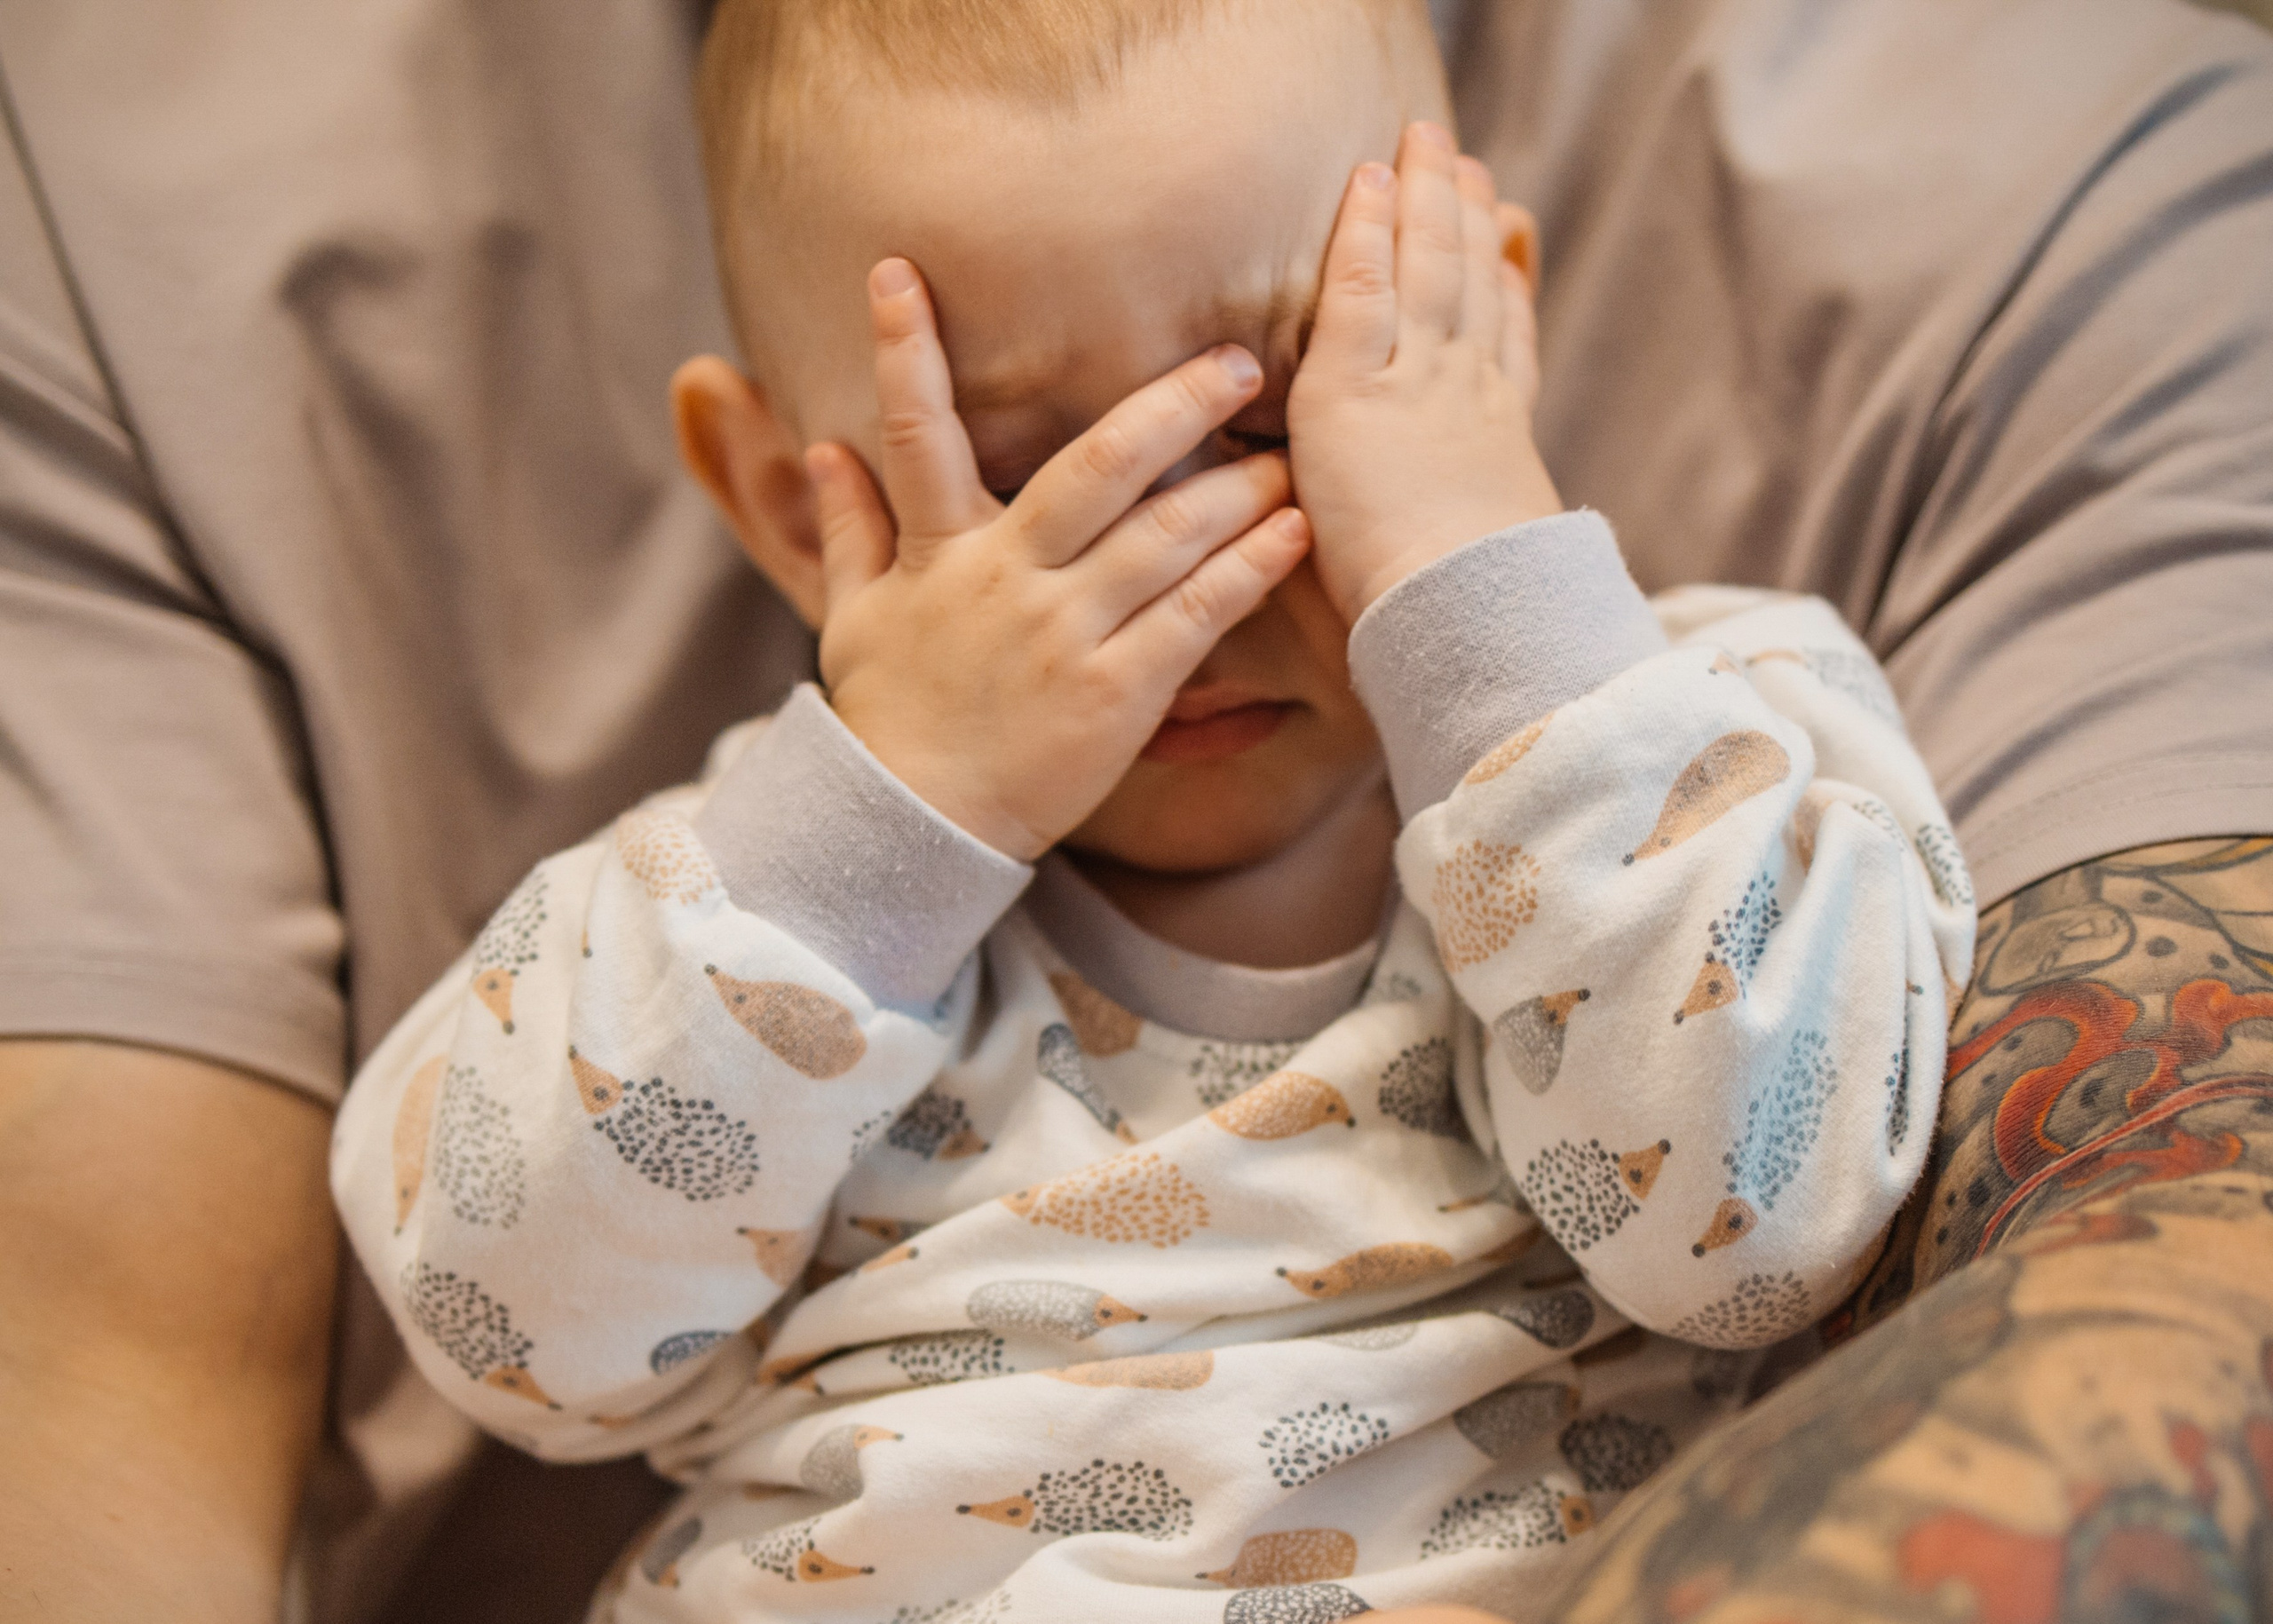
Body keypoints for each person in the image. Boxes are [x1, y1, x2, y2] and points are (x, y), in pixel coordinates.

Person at [4, 0, 2267, 1620]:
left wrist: (1483, 609)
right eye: (1011, 462)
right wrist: (882, 822)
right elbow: (511, 1327)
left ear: (1480, 324)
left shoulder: (1699, 735)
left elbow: (1756, 1229)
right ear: (779, 505)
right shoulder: (745, 923)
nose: (1168, 567)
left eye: (1280, 403)